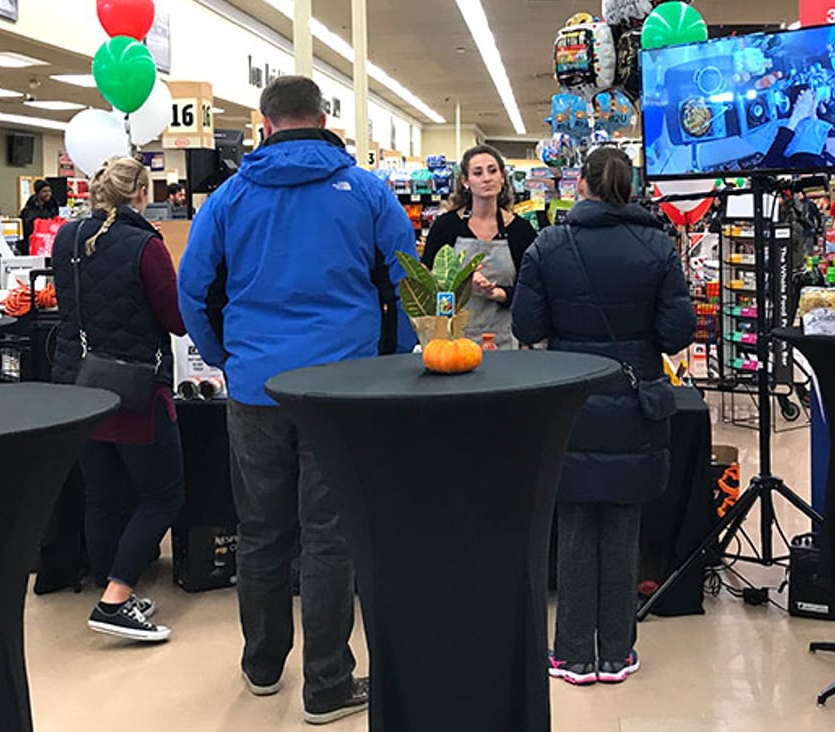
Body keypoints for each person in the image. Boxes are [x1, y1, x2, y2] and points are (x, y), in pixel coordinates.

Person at [179, 75, 416, 725]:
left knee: (259, 531)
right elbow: (410, 283)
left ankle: (261, 667)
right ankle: (328, 684)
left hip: (257, 389)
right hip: (344, 391)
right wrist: (401, 364)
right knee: (330, 537)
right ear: (324, 116)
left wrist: (229, 357)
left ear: (265, 120)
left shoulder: (228, 198)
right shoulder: (367, 192)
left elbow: (194, 292)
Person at [512, 146, 694, 687]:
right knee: (622, 524)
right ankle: (617, 652)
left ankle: (571, 653)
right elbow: (677, 333)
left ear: (581, 186)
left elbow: (527, 325)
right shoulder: (659, 247)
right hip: (634, 397)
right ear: (631, 187)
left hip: (570, 395)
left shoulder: (549, 243)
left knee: (572, 523)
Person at [50, 157, 187, 643]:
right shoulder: (146, 246)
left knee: (102, 494)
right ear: (142, 194)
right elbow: (176, 319)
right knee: (163, 494)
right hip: (134, 390)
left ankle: (111, 589)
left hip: (78, 386)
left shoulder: (66, 238)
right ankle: (115, 598)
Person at [421, 144, 537, 348]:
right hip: (452, 340)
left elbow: (531, 290)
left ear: (502, 177)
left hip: (505, 339)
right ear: (466, 181)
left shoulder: (521, 231)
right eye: (478, 172)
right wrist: (461, 282)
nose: (487, 178)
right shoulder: (446, 227)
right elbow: (426, 280)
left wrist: (497, 293)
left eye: (493, 171)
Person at [21, 179, 60, 253]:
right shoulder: (29, 209)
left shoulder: (53, 206)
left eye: (49, 191)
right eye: (44, 191)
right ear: (38, 193)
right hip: (34, 243)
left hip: (49, 242)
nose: (48, 194)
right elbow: (27, 228)